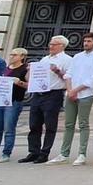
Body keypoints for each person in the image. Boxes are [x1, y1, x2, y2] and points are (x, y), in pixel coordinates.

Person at [52, 32, 93, 166]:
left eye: (89, 41)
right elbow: (69, 74)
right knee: (69, 124)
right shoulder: (77, 56)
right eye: (85, 41)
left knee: (83, 124)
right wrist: (70, 90)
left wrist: (76, 90)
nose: (86, 43)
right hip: (71, 93)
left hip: (86, 94)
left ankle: (82, 154)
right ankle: (64, 153)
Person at [20, 35, 71, 164]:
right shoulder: (45, 59)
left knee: (50, 125)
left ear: (62, 46)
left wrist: (58, 71)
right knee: (34, 124)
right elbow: (31, 78)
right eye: (50, 44)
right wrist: (30, 71)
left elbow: (69, 78)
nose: (50, 46)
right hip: (38, 94)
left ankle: (44, 153)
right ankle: (33, 151)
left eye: (54, 44)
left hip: (53, 94)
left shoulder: (67, 60)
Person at [0, 47, 29, 162]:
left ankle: (6, 153)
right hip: (0, 99)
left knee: (9, 128)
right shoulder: (6, 68)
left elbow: (29, 85)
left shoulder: (25, 69)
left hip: (14, 101)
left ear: (22, 57)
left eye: (15, 55)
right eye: (11, 54)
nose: (11, 57)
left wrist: (19, 82)